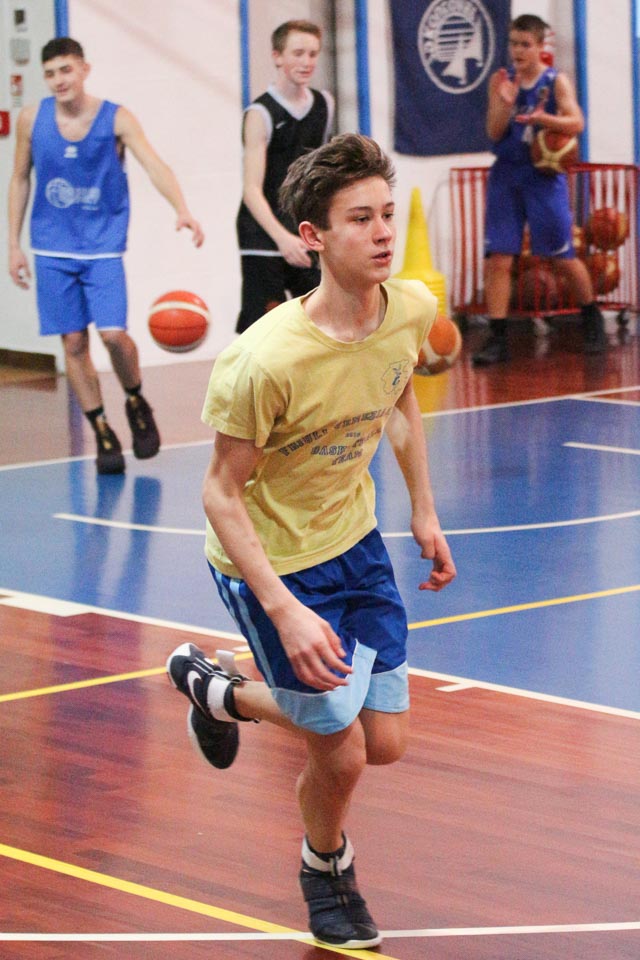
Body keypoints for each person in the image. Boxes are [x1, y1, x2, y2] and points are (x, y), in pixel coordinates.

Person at [167, 133, 456, 949]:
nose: (383, 232)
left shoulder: (410, 309)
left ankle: (218, 691)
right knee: (342, 750)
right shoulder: (262, 360)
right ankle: (326, 873)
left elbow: (400, 400)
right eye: (359, 219)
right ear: (313, 236)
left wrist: (423, 510)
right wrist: (283, 609)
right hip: (276, 562)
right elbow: (220, 493)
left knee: (385, 742)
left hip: (354, 543)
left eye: (387, 214)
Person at [8, 37, 204, 474]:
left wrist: (182, 209)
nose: (59, 80)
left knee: (113, 336)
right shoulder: (31, 119)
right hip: (51, 248)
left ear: (84, 69)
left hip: (102, 248)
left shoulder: (116, 118)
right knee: (74, 342)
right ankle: (101, 429)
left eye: (66, 70)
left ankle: (135, 399)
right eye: (51, 73)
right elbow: (19, 178)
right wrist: (13, 245)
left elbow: (154, 165)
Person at [473, 13, 606, 366]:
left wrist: (542, 119)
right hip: (506, 174)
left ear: (539, 46)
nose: (517, 50)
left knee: (562, 256)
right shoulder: (502, 80)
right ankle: (498, 337)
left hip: (543, 176)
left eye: (525, 44)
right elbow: (493, 131)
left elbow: (576, 122)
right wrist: (505, 103)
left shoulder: (555, 81)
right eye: (513, 44)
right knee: (499, 258)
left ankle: (591, 316)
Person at [235, 19, 334, 333]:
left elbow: (319, 176)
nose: (307, 62)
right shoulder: (260, 113)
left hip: (301, 228)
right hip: (263, 232)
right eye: (298, 53)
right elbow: (251, 190)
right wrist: (282, 239)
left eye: (313, 54)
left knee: (324, 321)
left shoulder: (324, 104)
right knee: (263, 330)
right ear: (277, 57)